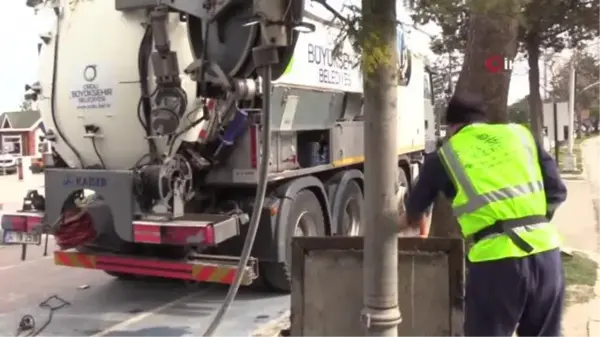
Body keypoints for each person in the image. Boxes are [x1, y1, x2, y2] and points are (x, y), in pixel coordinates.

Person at [404, 93, 567, 337]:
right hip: (547, 255)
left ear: (451, 127)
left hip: (497, 262)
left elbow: (415, 208)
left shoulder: (444, 156)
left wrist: (415, 223)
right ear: (484, 120)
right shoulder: (522, 136)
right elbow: (556, 191)